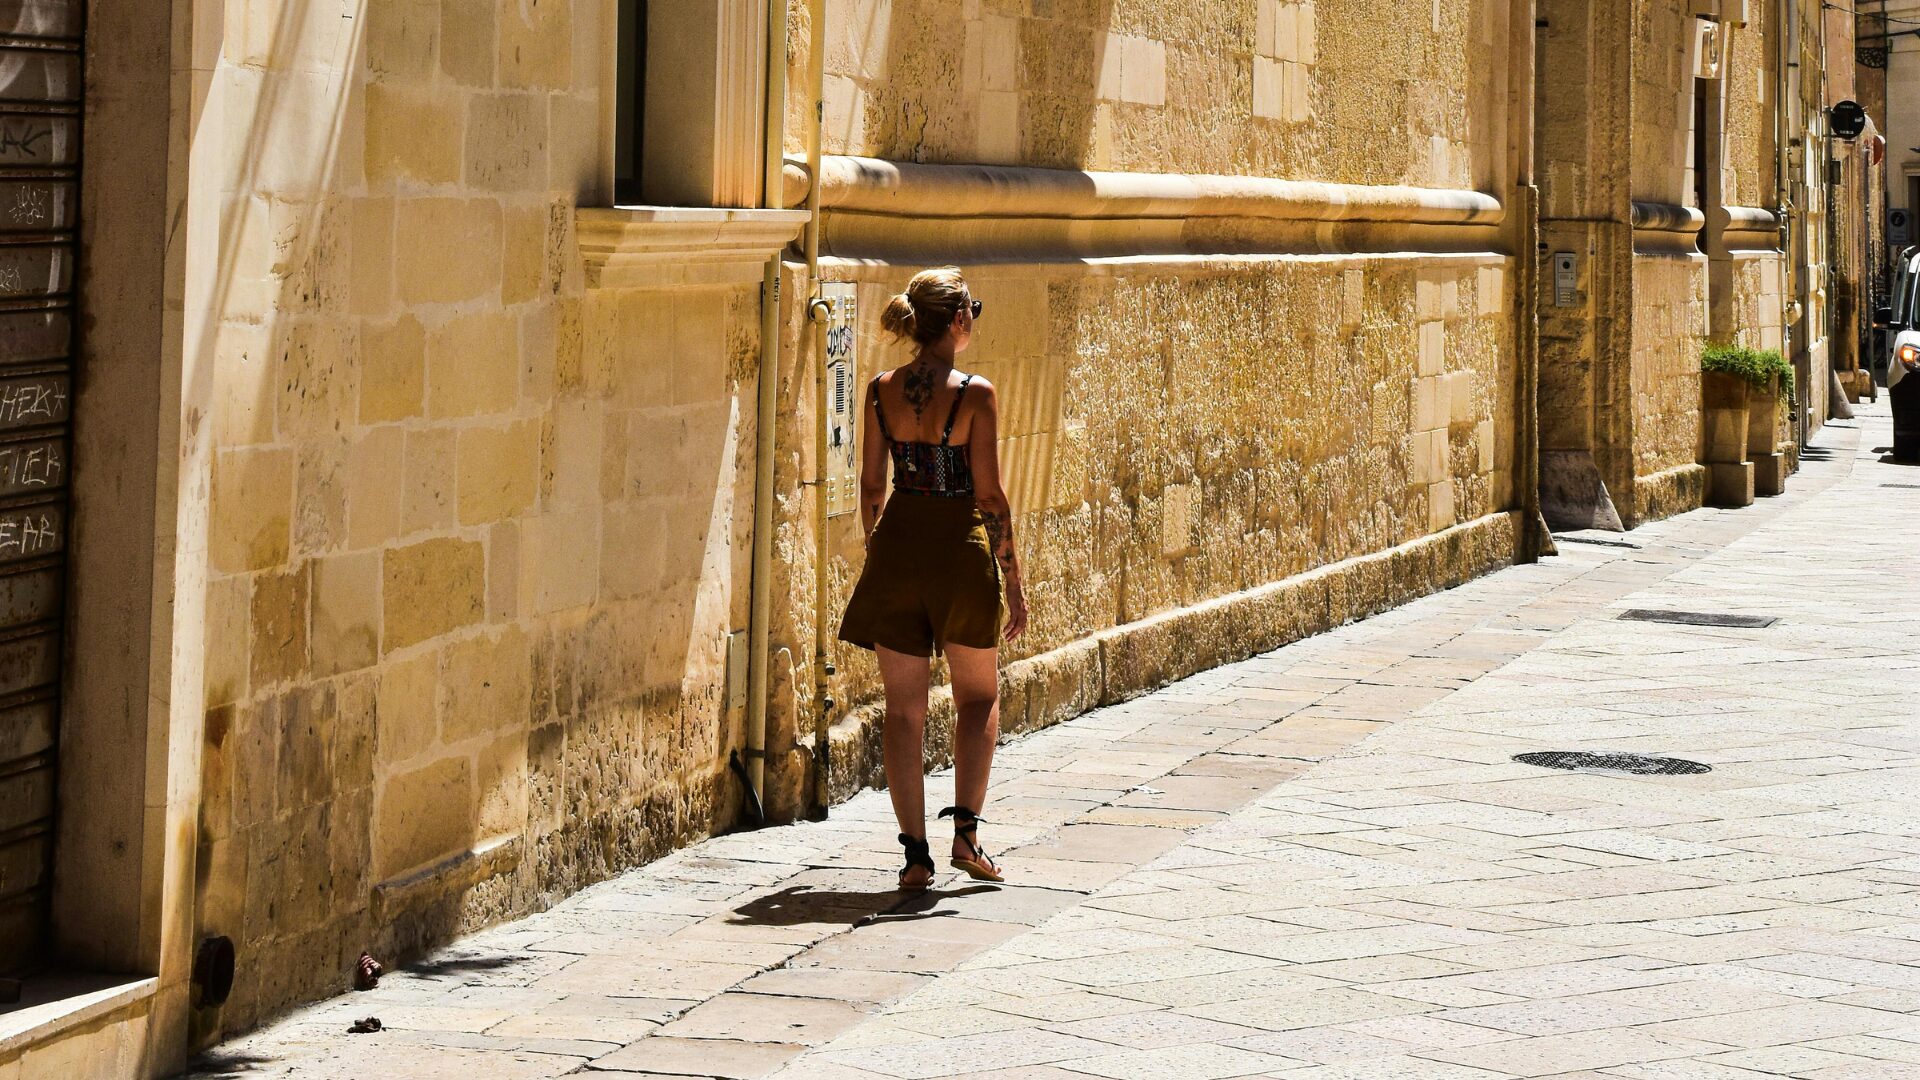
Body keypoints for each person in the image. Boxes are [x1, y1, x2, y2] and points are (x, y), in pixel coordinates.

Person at [837, 266, 1029, 891]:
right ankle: (966, 836)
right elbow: (991, 495)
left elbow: (871, 488)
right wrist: (1016, 578)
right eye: (972, 305)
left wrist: (882, 552)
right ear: (957, 321)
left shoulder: (879, 391)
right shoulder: (976, 395)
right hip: (959, 551)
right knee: (977, 697)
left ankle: (914, 856)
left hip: (898, 548)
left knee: (903, 711)